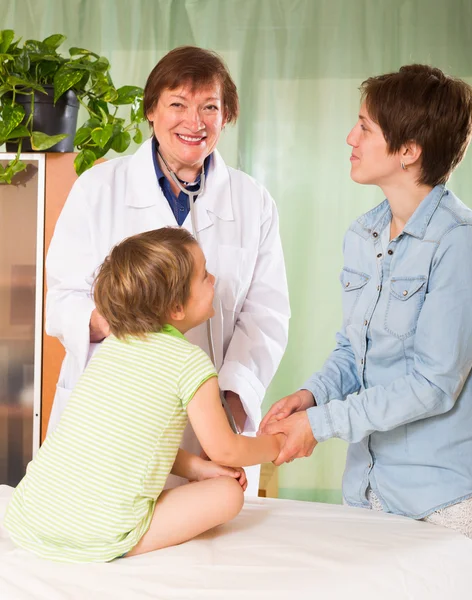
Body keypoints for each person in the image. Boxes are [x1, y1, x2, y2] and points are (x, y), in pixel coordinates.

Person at [260, 65, 472, 560]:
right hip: (370, 495)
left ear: (409, 151)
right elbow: (355, 348)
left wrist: (321, 425)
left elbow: (433, 385)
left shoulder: (460, 243)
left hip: (449, 499)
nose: (351, 137)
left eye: (365, 127)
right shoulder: (363, 235)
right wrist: (312, 395)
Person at [45, 46, 290, 495]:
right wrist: (119, 322)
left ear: (227, 115)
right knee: (112, 538)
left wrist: (230, 405)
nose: (194, 122)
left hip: (210, 423)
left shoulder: (252, 201)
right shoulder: (98, 188)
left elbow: (266, 317)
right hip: (117, 419)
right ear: (151, 111)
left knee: (207, 543)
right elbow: (62, 297)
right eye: (178, 104)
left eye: (209, 107)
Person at [5, 228, 285, 562]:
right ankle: (121, 539)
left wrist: (196, 469)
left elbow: (134, 437)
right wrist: (278, 444)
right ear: (177, 308)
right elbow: (225, 448)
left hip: (34, 515)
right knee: (228, 495)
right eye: (204, 275)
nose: (214, 278)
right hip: (96, 533)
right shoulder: (189, 362)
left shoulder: (113, 347)